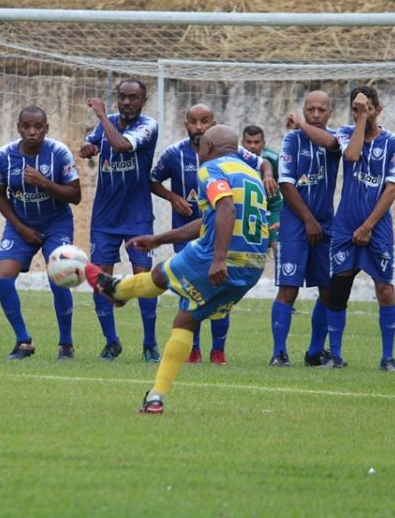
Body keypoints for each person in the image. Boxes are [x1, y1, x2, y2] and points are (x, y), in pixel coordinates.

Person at [85, 124, 269, 414]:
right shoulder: (251, 174)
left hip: (218, 256)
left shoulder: (211, 169)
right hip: (252, 267)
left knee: (160, 274)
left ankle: (118, 289)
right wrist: (159, 238)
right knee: (185, 320)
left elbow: (226, 210)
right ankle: (156, 397)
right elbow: (210, 221)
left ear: (206, 148)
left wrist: (219, 258)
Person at [150, 104, 277, 364]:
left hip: (221, 236)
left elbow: (263, 162)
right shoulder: (174, 153)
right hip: (188, 232)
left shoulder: (231, 153)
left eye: (205, 121)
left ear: (213, 123)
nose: (199, 127)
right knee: (190, 292)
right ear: (185, 124)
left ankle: (218, 350)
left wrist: (267, 175)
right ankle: (192, 350)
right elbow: (152, 179)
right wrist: (173, 197)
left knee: (219, 294)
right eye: (193, 121)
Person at [298, 85, 395, 372]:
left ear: (378, 110)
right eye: (356, 109)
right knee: (338, 289)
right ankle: (336, 355)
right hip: (345, 226)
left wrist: (369, 225)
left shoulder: (393, 142)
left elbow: (391, 189)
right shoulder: (346, 133)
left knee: (384, 288)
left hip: (377, 227)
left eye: (367, 109)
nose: (362, 114)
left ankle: (388, 357)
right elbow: (353, 156)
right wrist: (359, 119)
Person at [0, 105, 82, 360]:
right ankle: (23, 342)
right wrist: (21, 228)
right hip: (20, 224)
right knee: (2, 276)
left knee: (59, 275)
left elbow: (75, 196)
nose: (32, 132)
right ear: (19, 128)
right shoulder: (4, 156)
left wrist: (44, 183)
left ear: (46, 128)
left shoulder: (59, 153)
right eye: (27, 127)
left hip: (56, 223)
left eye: (38, 127)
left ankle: (66, 344)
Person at [79, 79, 160, 362]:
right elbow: (90, 144)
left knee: (145, 279)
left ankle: (150, 343)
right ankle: (111, 342)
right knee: (102, 281)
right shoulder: (108, 122)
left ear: (143, 100)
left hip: (137, 216)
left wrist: (101, 115)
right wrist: (87, 148)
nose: (127, 102)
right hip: (105, 218)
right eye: (122, 97)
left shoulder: (148, 126)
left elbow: (122, 145)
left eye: (133, 98)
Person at [268, 91, 342, 367]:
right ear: (304, 109)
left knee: (327, 288)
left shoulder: (337, 138)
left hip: (326, 224)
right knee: (289, 286)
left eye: (322, 110)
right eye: (311, 109)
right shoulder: (291, 140)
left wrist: (302, 124)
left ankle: (314, 352)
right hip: (295, 224)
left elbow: (334, 144)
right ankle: (279, 352)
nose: (316, 114)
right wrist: (308, 220)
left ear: (330, 112)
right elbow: (286, 184)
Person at [242, 125, 284, 255]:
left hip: (272, 209)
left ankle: (283, 274)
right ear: (242, 143)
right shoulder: (237, 160)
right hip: (248, 210)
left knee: (278, 246)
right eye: (249, 142)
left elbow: (288, 186)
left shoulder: (275, 159)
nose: (252, 146)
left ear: (263, 143)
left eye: (256, 142)